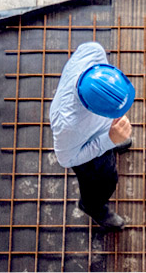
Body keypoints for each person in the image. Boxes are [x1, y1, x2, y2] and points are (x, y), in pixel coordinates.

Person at [50, 42, 136, 230]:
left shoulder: (93, 52)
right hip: (85, 148)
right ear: (94, 110)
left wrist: (112, 135)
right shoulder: (69, 126)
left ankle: (113, 143)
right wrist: (108, 140)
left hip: (99, 131)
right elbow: (67, 159)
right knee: (105, 181)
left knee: (112, 148)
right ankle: (93, 207)